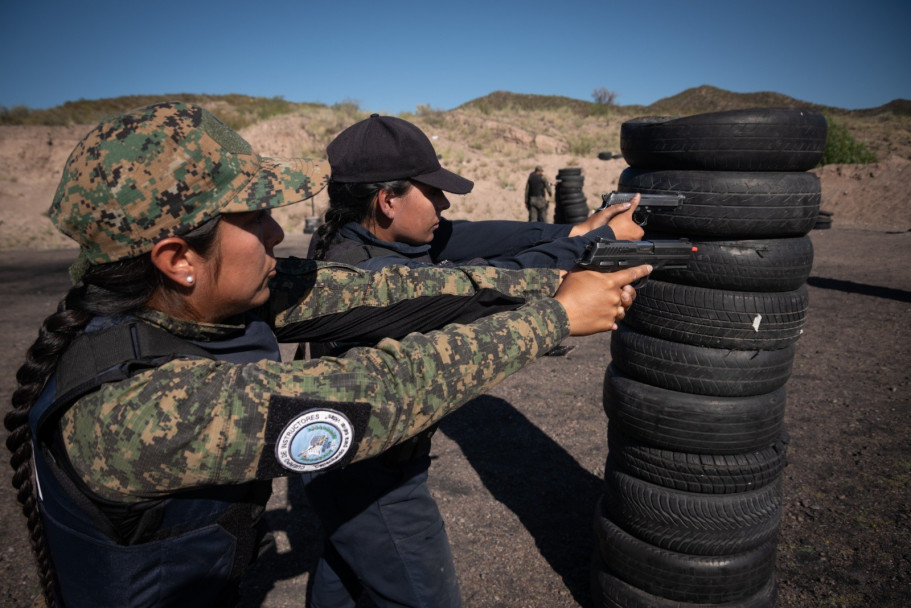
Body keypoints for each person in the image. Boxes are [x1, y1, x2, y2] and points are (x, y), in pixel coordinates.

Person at [3, 102, 649, 608]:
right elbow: (381, 389)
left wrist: (558, 279)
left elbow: (395, 289)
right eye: (254, 218)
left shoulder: (182, 302)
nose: (278, 233)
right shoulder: (135, 414)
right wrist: (556, 317)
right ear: (177, 260)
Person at [301, 114, 646, 608]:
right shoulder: (371, 275)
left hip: (339, 465)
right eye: (432, 192)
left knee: (346, 575)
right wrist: (594, 245)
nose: (444, 203)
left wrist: (578, 228)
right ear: (388, 199)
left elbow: (484, 238)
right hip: (375, 480)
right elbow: (491, 277)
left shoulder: (350, 236)